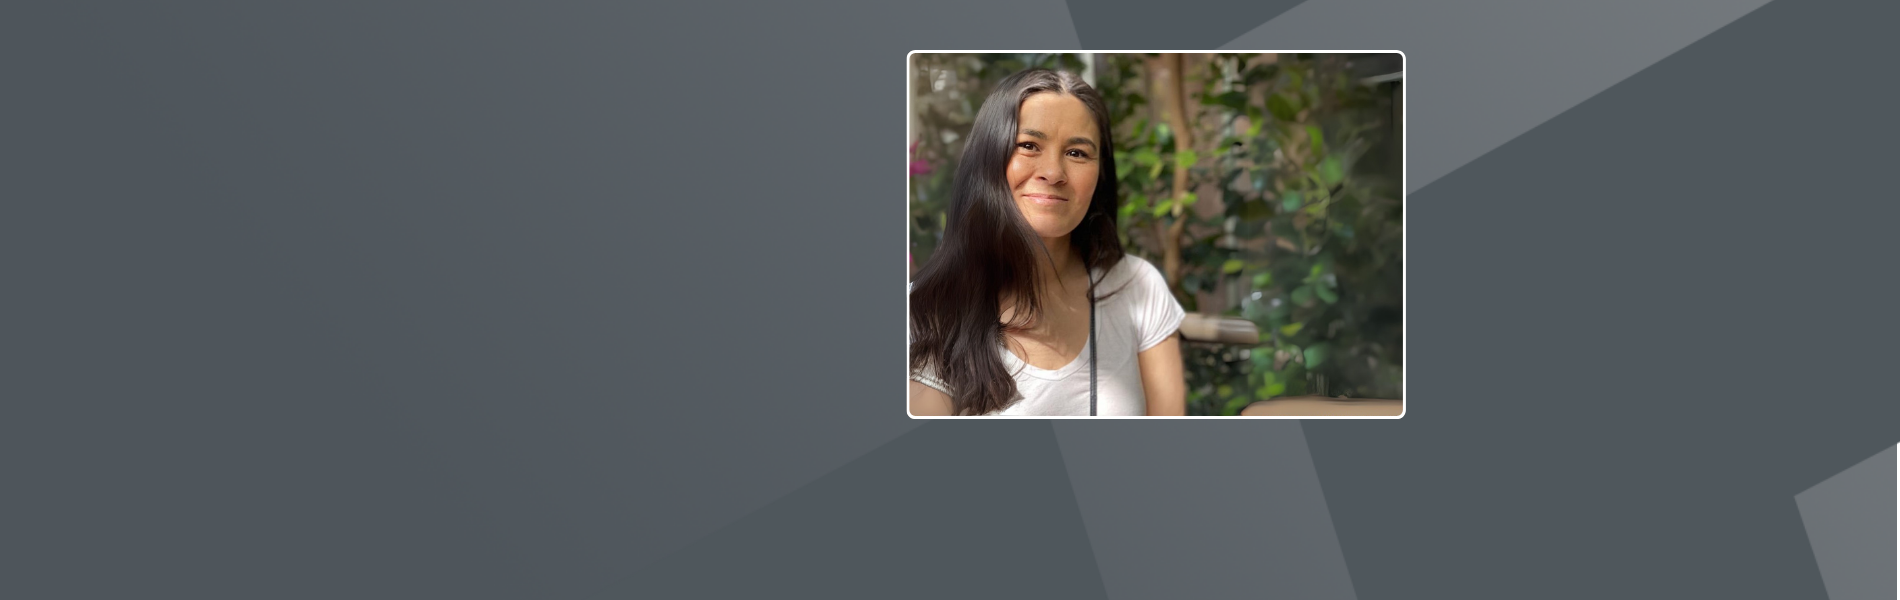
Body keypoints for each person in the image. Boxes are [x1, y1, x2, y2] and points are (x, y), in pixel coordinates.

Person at [908, 68, 1186, 416]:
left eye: (1078, 153)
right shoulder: (926, 309)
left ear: (1101, 175)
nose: (1053, 172)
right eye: (1028, 146)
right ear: (988, 160)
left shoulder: (1137, 286)